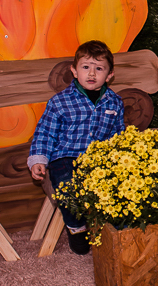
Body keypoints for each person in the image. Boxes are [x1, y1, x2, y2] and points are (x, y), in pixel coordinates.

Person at [28, 40, 126, 255]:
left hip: (98, 159)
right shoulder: (59, 102)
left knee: (119, 186)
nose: (91, 73)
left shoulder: (115, 102)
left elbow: (118, 135)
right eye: (85, 67)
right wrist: (38, 159)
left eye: (99, 68)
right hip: (66, 157)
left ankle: (118, 228)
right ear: (74, 71)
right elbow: (45, 133)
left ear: (109, 75)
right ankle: (76, 227)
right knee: (67, 185)